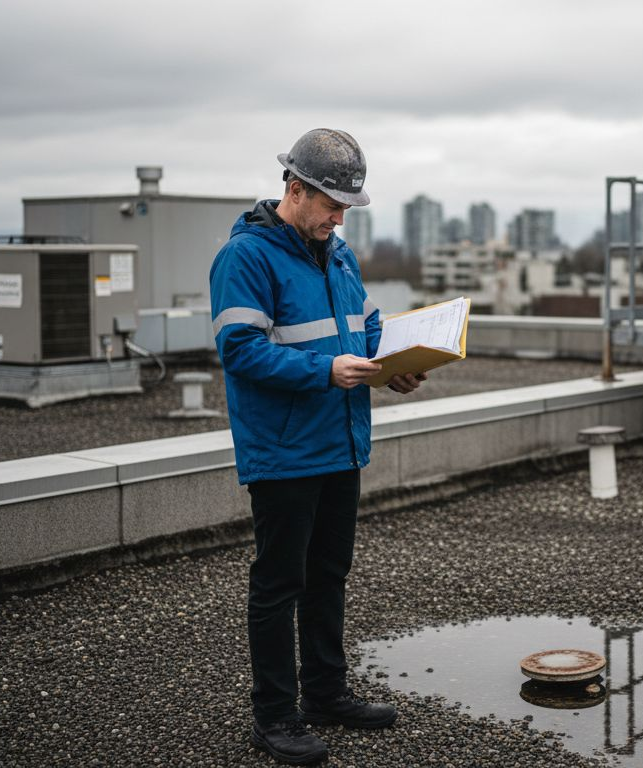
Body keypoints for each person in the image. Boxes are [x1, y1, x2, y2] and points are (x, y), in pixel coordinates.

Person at [209, 128, 425, 766]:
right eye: (331, 204)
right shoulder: (245, 258)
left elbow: (362, 324)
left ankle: (326, 692)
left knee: (329, 574)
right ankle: (275, 716)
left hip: (339, 440)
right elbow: (239, 351)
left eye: (347, 208)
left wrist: (396, 359)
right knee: (279, 583)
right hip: (283, 450)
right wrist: (327, 371)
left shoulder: (339, 253)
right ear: (293, 189)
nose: (339, 217)